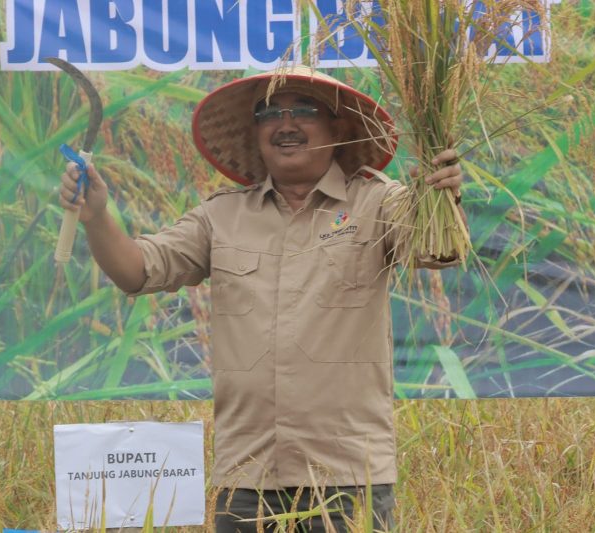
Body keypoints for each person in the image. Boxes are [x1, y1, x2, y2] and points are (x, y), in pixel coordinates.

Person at [59, 66, 465, 532]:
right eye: (269, 112)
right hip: (247, 479)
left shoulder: (377, 202)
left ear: (337, 127)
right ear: (255, 133)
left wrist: (441, 197)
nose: (285, 123)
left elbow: (437, 251)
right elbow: (136, 270)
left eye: (303, 110)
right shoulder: (221, 216)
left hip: (347, 477)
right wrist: (95, 215)